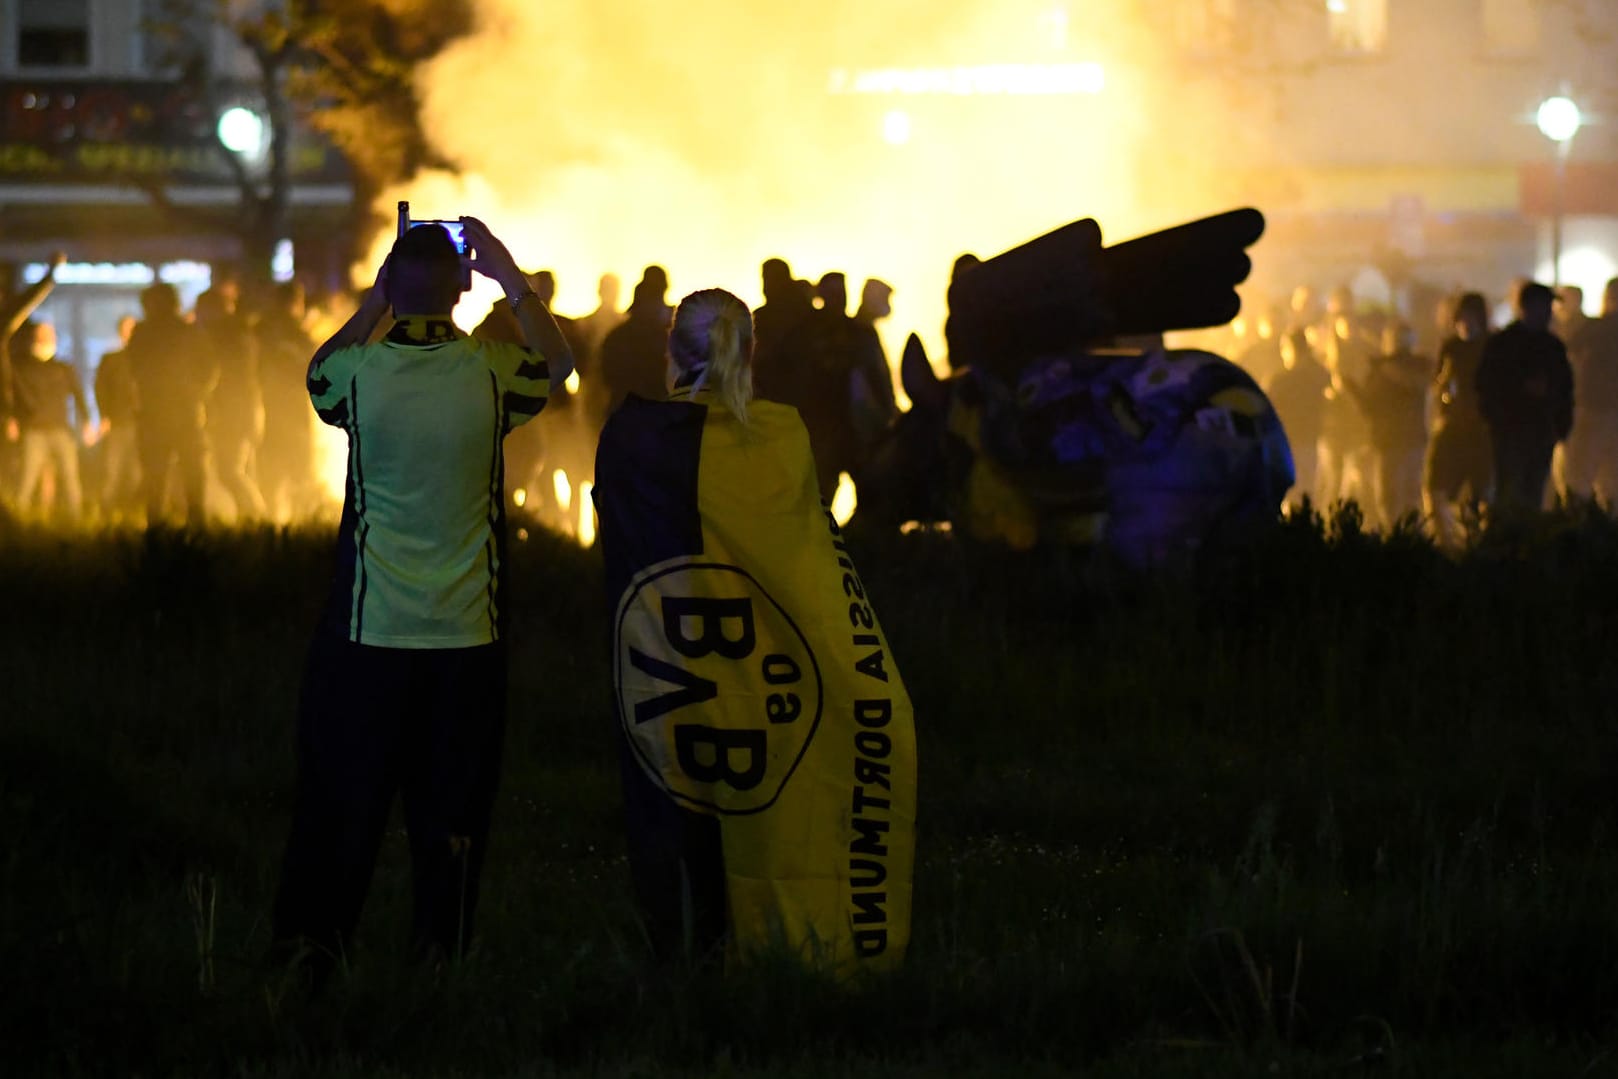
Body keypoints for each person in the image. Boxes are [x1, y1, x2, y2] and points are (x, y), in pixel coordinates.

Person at [271, 218, 574, 972]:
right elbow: (560, 364)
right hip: (466, 638)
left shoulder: (357, 376)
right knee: (453, 817)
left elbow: (318, 372)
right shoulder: (495, 372)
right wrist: (510, 275)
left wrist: (375, 304)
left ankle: (314, 958)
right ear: (463, 287)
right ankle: (439, 962)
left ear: (391, 289)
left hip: (366, 634)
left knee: (343, 808)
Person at [592, 287, 916, 974]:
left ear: (670, 351)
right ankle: (780, 943)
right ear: (751, 352)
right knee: (760, 817)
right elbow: (801, 554)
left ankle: (684, 958)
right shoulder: (783, 432)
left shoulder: (631, 435)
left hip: (668, 669)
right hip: (761, 668)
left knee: (681, 820)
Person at [1476, 281, 1574, 513]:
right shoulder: (1503, 345)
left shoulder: (1552, 346)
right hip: (1511, 431)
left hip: (1540, 431)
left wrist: (1561, 424)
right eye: (1546, 306)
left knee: (1533, 492)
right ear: (1528, 307)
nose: (1550, 312)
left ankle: (1524, 539)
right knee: (1511, 492)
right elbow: (1486, 385)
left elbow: (1565, 389)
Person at [127, 282, 217, 528]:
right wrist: (198, 392)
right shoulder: (188, 331)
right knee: (191, 472)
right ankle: (195, 527)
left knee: (158, 475)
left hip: (159, 412)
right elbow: (210, 368)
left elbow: (134, 368)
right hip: (180, 411)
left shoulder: (144, 333)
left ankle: (159, 530)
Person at [1342, 320, 1429, 527]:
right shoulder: (1420, 366)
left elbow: (1368, 408)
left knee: (1391, 498)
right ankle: (1411, 542)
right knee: (1407, 497)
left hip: (1391, 442)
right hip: (1407, 440)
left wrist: (1351, 388)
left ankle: (1399, 543)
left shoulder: (1385, 370)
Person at [8, 320, 90, 521]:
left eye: (50, 334)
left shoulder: (63, 368)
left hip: (60, 429)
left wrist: (87, 421)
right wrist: (12, 420)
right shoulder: (22, 368)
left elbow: (78, 395)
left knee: (70, 477)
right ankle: (20, 521)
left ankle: (76, 521)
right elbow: (14, 397)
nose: (47, 338)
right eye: (43, 334)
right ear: (34, 337)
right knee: (29, 477)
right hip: (34, 430)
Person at [197, 287, 267, 522]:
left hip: (234, 411)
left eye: (202, 310)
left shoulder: (224, 336)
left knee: (230, 471)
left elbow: (221, 375)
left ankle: (258, 518)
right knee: (241, 469)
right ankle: (250, 522)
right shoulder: (241, 332)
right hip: (245, 409)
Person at [256, 282, 317, 520]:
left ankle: (273, 521)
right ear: (294, 303)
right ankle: (301, 522)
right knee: (297, 470)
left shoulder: (261, 329)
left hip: (268, 408)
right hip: (289, 409)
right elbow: (311, 369)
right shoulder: (295, 333)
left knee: (273, 470)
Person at [1564, 277, 1618, 503]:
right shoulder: (1598, 327)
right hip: (1603, 407)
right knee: (1611, 476)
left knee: (1579, 474)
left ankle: (1581, 527)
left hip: (1594, 407)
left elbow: (1569, 349)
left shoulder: (1598, 327)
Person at [1261, 330, 1331, 505]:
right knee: (1305, 492)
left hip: (1287, 444)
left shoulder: (1280, 381)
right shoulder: (1318, 376)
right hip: (1308, 441)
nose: (1283, 354)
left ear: (1292, 349)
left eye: (1284, 349)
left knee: (1289, 493)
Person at [93, 315, 141, 519]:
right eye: (127, 328)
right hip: (118, 423)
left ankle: (133, 512)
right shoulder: (111, 360)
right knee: (112, 471)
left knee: (137, 474)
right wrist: (104, 416)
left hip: (142, 425)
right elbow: (100, 388)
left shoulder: (147, 360)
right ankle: (107, 513)